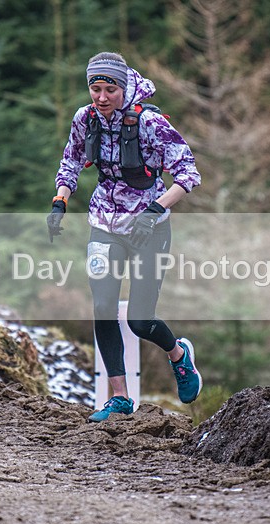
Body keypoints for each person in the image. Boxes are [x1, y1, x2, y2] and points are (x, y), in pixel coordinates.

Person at [47, 52, 202, 422]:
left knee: (139, 320)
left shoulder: (149, 122)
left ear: (123, 86)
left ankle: (179, 355)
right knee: (102, 308)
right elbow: (71, 162)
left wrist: (157, 208)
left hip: (149, 227)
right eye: (95, 88)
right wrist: (59, 202)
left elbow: (188, 174)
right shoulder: (85, 119)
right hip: (105, 222)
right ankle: (119, 397)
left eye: (109, 89)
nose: (101, 97)